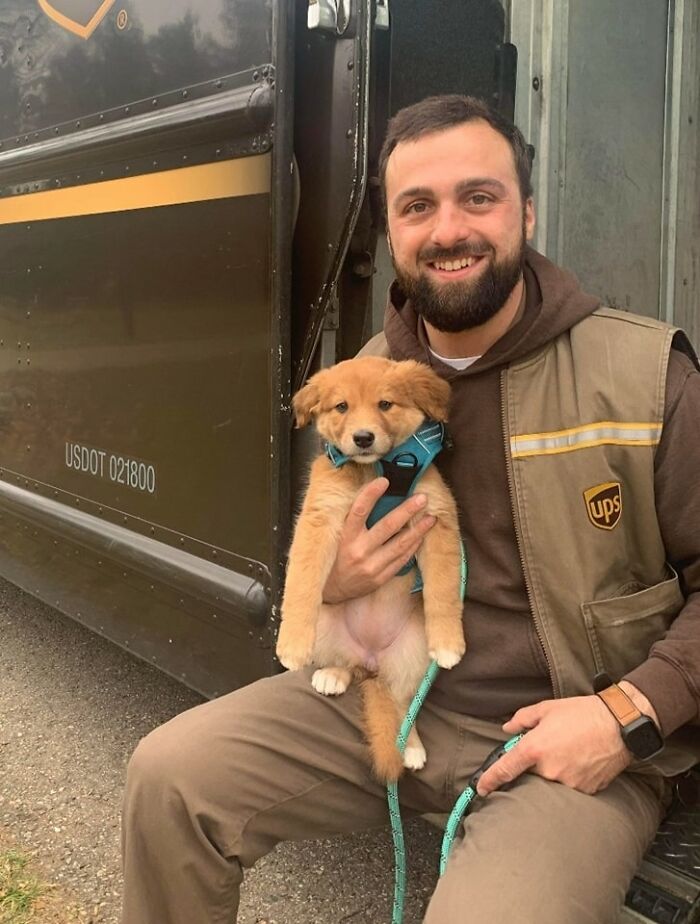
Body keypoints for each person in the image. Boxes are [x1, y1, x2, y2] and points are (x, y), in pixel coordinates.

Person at [121, 95, 700, 924]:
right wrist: (334, 586)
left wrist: (628, 716)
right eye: (417, 206)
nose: (448, 229)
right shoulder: (363, 377)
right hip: (385, 685)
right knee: (169, 774)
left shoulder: (643, 373)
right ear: (392, 234)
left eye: (480, 196)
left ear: (527, 211)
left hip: (564, 733)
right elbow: (324, 540)